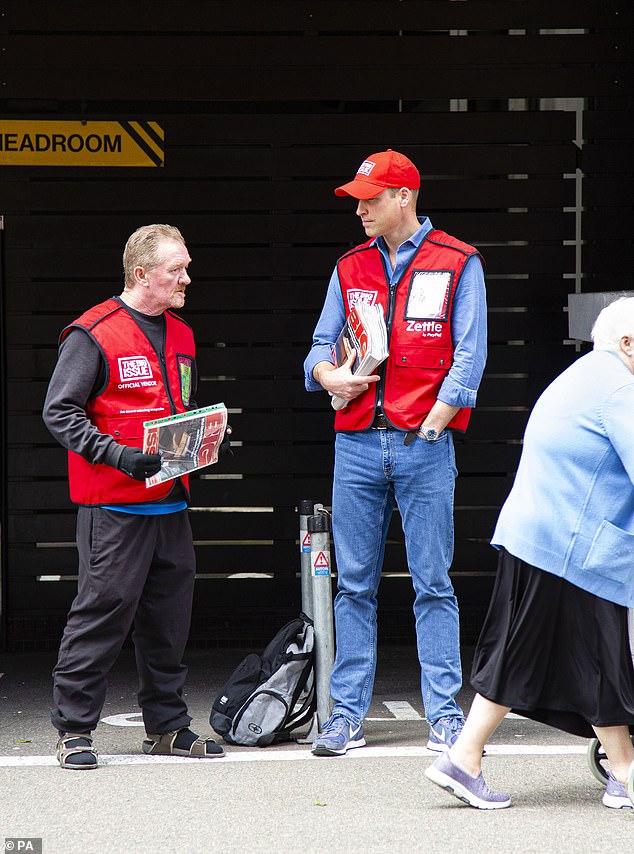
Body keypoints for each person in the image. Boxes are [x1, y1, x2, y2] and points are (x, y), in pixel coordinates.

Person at [303, 150, 487, 756]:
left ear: (405, 196)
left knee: (432, 581)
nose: (360, 209)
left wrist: (437, 420)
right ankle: (346, 715)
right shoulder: (349, 265)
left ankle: (445, 715)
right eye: (357, 198)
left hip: (422, 442)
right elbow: (319, 347)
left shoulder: (458, 261)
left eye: (371, 197)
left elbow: (471, 351)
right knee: (353, 584)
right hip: (354, 442)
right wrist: (329, 378)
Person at [425, 297, 634, 810]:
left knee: (523, 652)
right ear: (628, 344)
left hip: (538, 533)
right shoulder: (618, 388)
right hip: (575, 545)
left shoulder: (583, 375)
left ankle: (464, 757)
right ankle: (625, 771)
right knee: (601, 656)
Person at [43, 223, 229, 769]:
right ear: (141, 274)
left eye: (186, 267)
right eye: (177, 269)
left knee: (168, 622)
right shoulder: (92, 333)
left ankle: (167, 726)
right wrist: (116, 455)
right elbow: (60, 412)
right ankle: (73, 731)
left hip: (170, 504)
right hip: (114, 506)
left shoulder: (183, 334)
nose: (186, 278)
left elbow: (176, 405)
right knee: (101, 615)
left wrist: (207, 437)